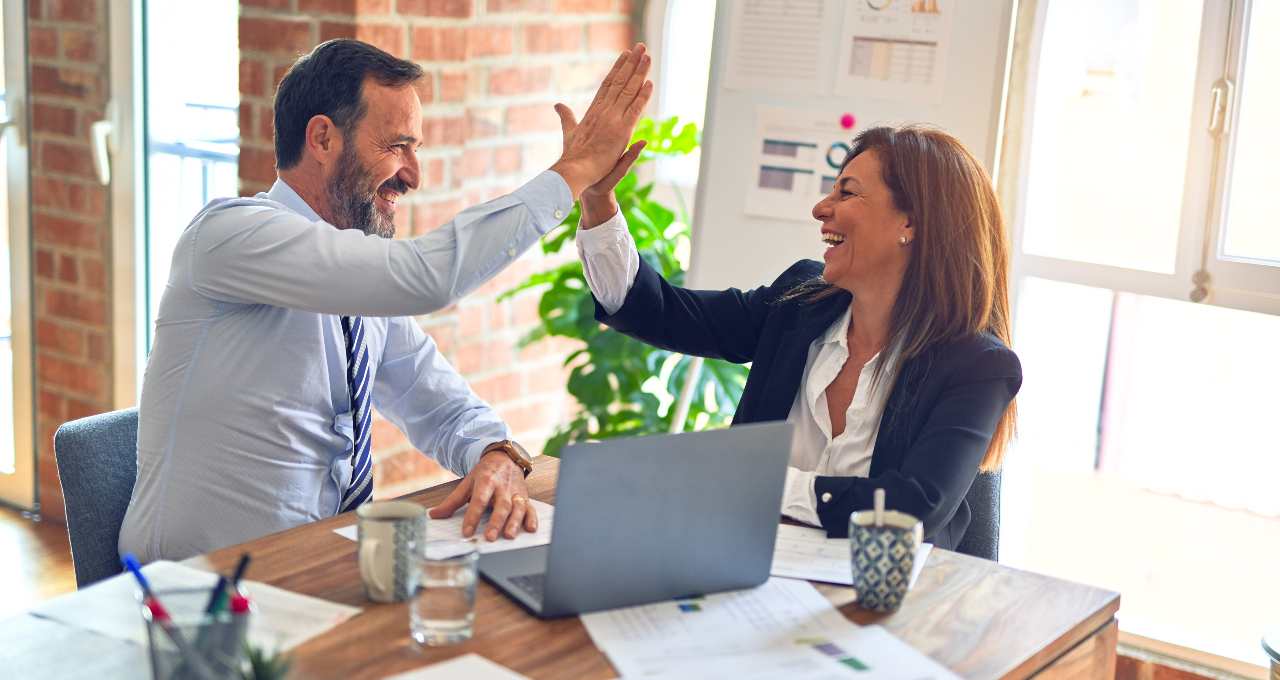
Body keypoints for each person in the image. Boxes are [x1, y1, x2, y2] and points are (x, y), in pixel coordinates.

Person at [119, 39, 653, 561]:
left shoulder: (358, 285)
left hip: (317, 572)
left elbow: (437, 401)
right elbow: (426, 277)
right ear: (323, 139)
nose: (413, 175)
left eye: (415, 149)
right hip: (195, 595)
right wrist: (575, 171)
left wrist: (497, 453)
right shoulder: (230, 236)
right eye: (397, 146)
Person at [575, 125, 1021, 550]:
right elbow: (659, 312)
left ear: (911, 223)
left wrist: (758, 482)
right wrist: (598, 199)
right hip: (748, 571)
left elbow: (911, 510)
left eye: (846, 192)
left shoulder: (977, 366)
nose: (821, 208)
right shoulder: (799, 304)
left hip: (886, 605)